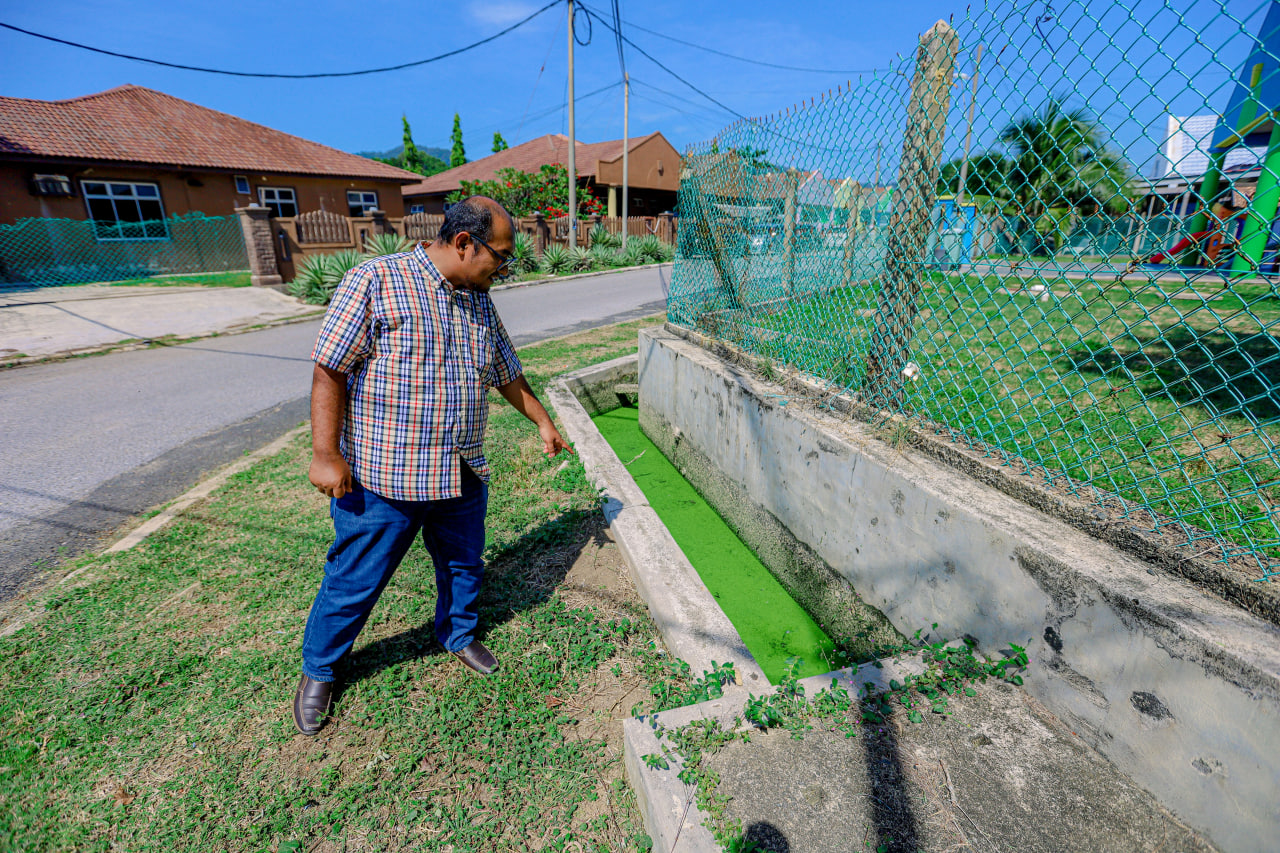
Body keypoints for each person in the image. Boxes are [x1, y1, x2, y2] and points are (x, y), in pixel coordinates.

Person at [293, 196, 573, 736]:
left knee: (463, 563)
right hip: (385, 475)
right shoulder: (375, 280)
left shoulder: (478, 298)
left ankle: (457, 634)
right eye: (501, 256)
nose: (504, 269)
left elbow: (505, 370)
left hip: (461, 467)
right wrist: (326, 455)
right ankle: (321, 669)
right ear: (465, 243)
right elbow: (330, 369)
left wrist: (543, 422)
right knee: (355, 578)